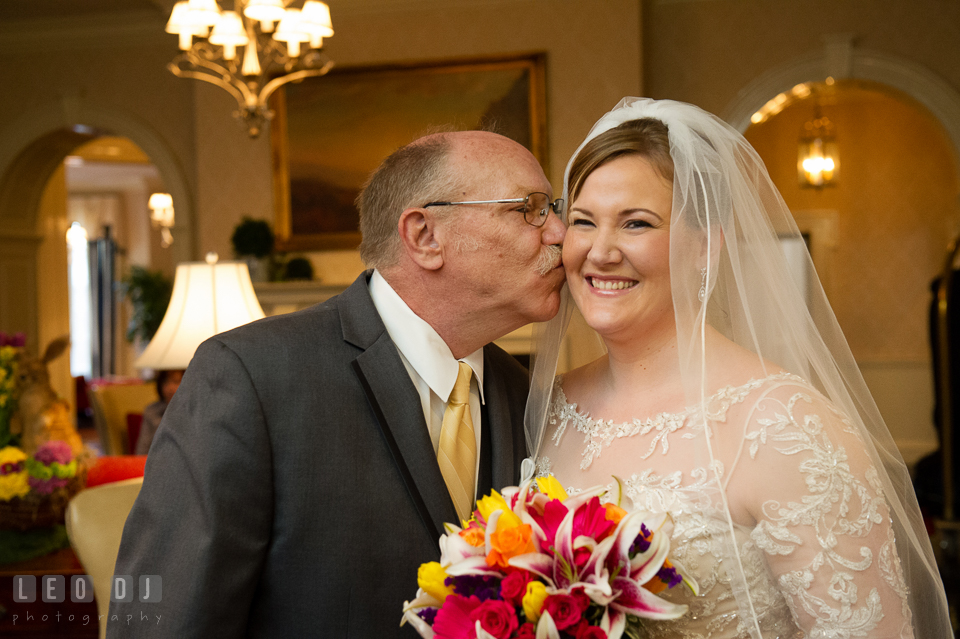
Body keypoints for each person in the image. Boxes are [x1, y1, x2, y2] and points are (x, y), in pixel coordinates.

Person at [108, 130, 565, 637]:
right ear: (424, 236)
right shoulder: (249, 377)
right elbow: (166, 619)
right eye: (531, 208)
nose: (561, 233)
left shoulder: (525, 392)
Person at [525, 98, 951, 638]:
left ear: (706, 246)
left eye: (637, 223)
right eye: (584, 222)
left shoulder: (785, 428)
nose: (601, 251)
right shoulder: (551, 405)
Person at [134, 369, 183, 455]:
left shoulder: (195, 412)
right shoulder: (152, 411)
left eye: (176, 382)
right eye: (166, 382)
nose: (170, 388)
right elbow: (142, 450)